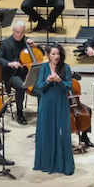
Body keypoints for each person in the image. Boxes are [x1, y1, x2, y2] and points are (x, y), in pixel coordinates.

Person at [31, 44, 76, 176]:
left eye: (58, 54)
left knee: (62, 131)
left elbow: (68, 86)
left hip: (60, 102)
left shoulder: (65, 67)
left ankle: (63, 165)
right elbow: (39, 86)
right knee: (46, 131)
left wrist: (59, 80)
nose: (56, 57)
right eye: (53, 54)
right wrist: (47, 81)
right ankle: (46, 163)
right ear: (48, 55)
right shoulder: (43, 68)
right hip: (46, 103)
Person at [0, 20, 35, 125]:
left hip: (27, 73)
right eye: (17, 32)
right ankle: (19, 113)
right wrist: (9, 63)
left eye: (22, 32)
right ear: (13, 31)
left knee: (41, 84)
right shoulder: (5, 43)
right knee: (21, 86)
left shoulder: (27, 42)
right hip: (12, 75)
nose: (19, 35)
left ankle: (42, 112)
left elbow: (40, 54)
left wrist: (34, 46)